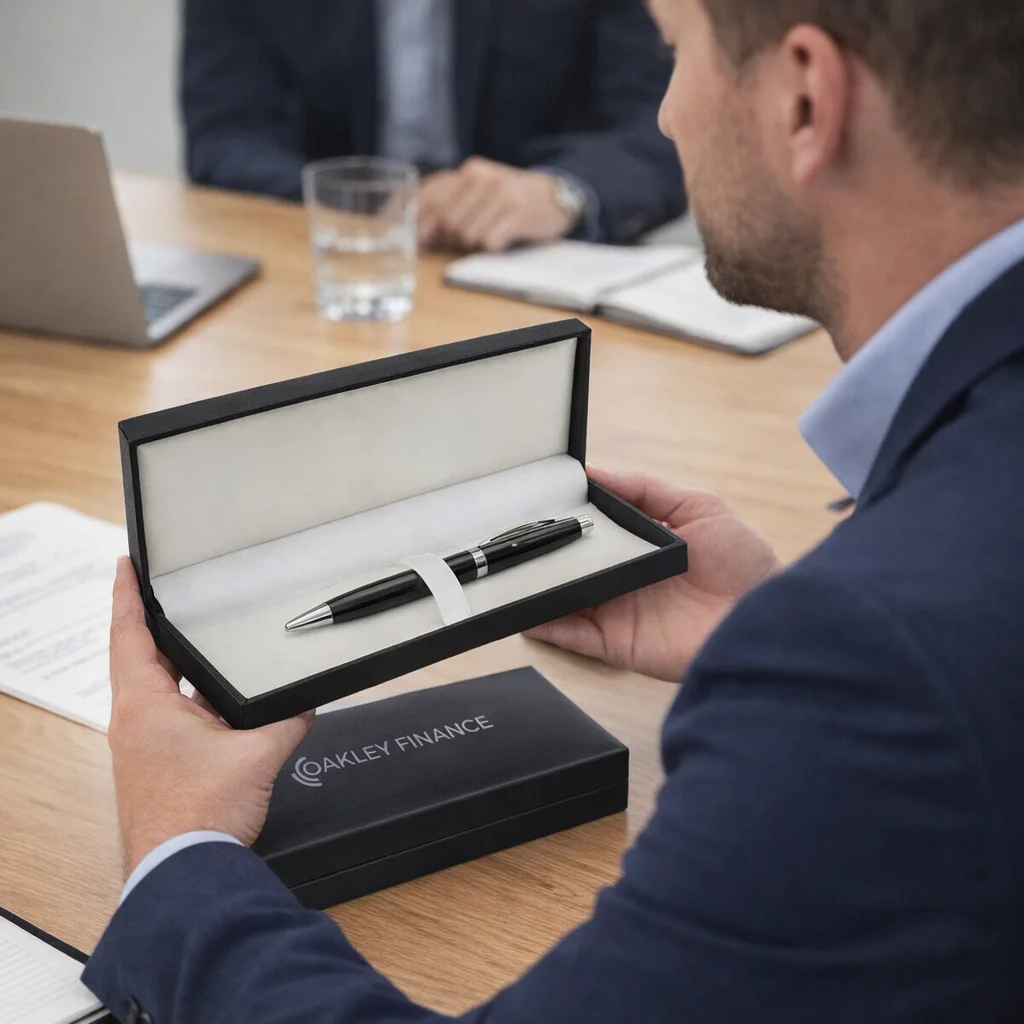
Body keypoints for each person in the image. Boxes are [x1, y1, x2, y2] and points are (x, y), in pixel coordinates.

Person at [87, 0, 1024, 1019]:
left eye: (679, 55)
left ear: (805, 97)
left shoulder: (869, 657)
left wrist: (179, 847)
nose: (665, 116)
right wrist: (767, 628)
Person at [181, 0, 685, 252]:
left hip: (537, 266)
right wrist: (377, 203)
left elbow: (662, 126)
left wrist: (560, 193)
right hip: (341, 264)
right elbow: (226, 134)